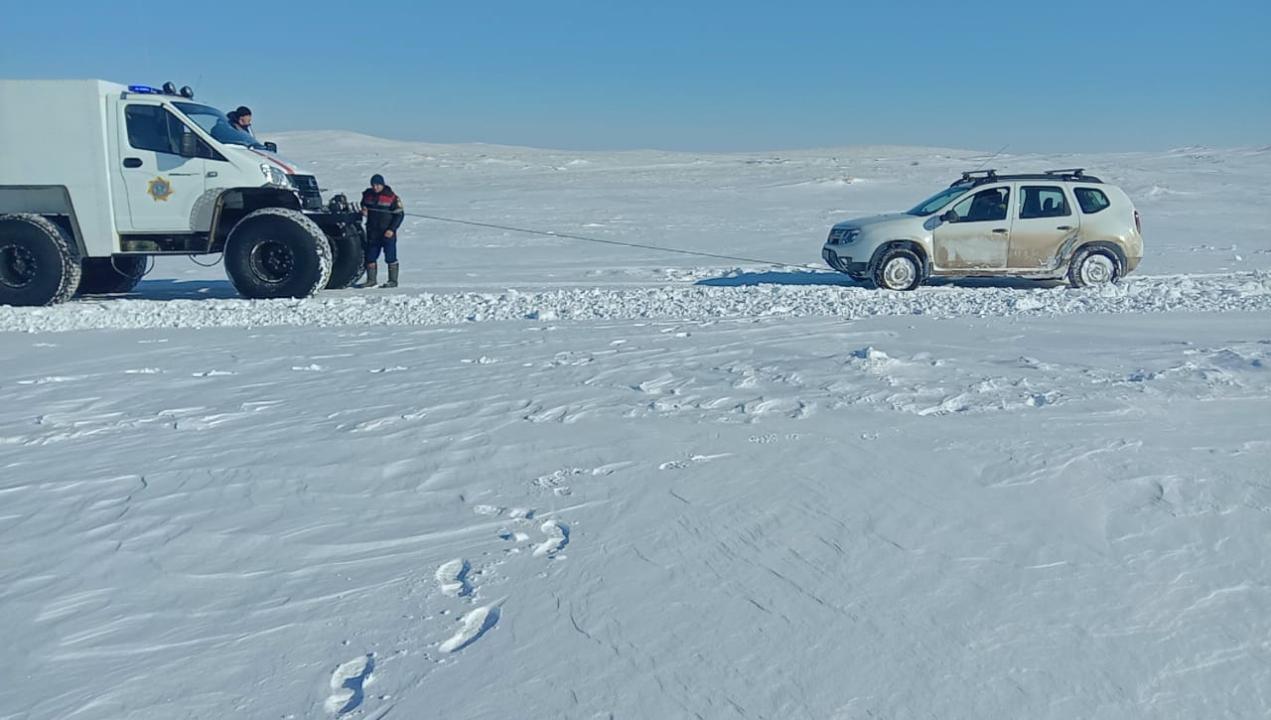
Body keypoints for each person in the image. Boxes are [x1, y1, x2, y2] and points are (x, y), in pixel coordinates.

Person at [357, 174, 405, 288]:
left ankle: (392, 281)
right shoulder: (368, 195)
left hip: (387, 232)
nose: (375, 187)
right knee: (371, 256)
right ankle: (371, 280)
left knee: (390, 256)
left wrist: (392, 229)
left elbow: (399, 215)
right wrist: (364, 210)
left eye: (378, 185)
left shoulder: (391, 196)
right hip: (373, 232)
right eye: (373, 185)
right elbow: (363, 204)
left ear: (382, 185)